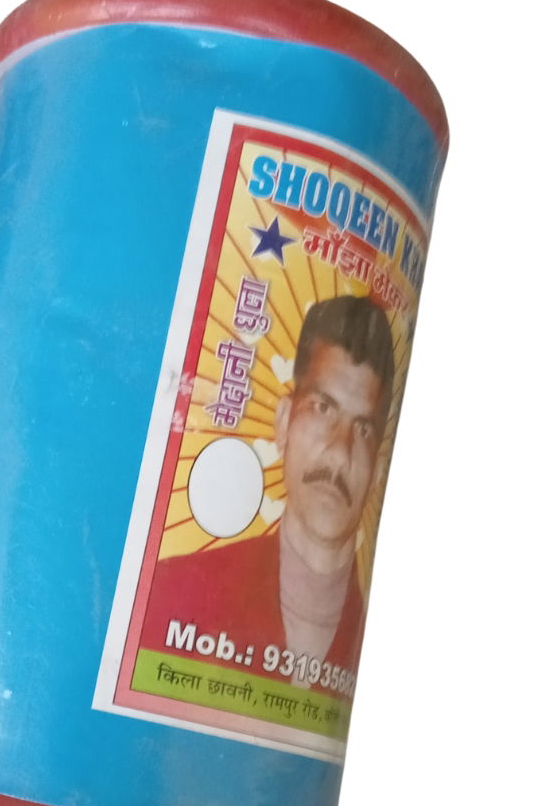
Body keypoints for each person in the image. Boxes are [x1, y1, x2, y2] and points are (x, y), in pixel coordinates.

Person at [141, 294, 395, 689]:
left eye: (362, 429)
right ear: (283, 422)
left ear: (378, 472)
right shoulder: (173, 592)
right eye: (323, 408)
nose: (339, 452)